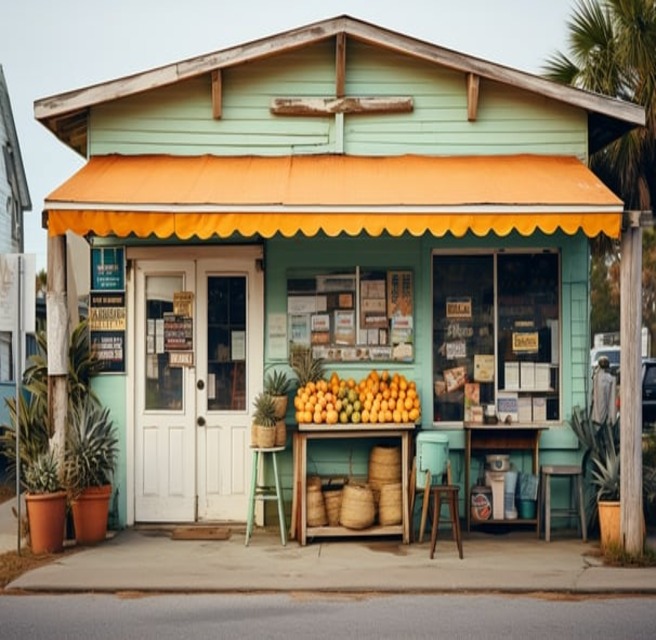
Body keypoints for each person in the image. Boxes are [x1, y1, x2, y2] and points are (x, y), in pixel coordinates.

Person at [591, 355, 618, 425]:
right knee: (604, 405)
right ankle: (608, 419)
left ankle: (603, 420)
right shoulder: (607, 376)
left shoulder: (597, 375)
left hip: (599, 410)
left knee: (602, 405)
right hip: (603, 403)